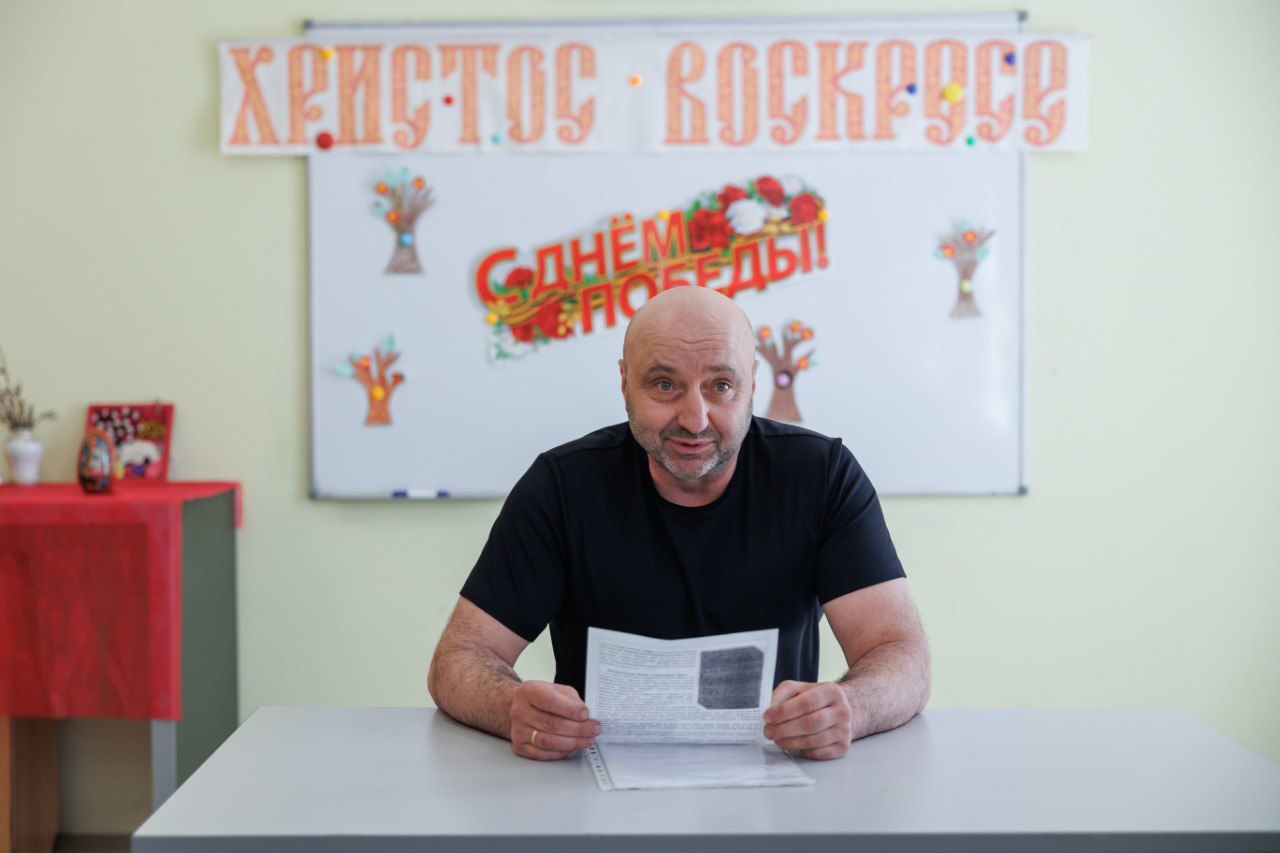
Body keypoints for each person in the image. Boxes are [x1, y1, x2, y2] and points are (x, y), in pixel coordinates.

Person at [428, 286, 931, 761]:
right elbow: (459, 658)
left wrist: (851, 708)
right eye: (664, 385)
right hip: (591, 781)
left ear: (753, 383)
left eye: (721, 386)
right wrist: (510, 708)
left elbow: (900, 653)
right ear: (624, 382)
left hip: (776, 774)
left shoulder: (822, 476)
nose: (695, 418)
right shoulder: (562, 486)